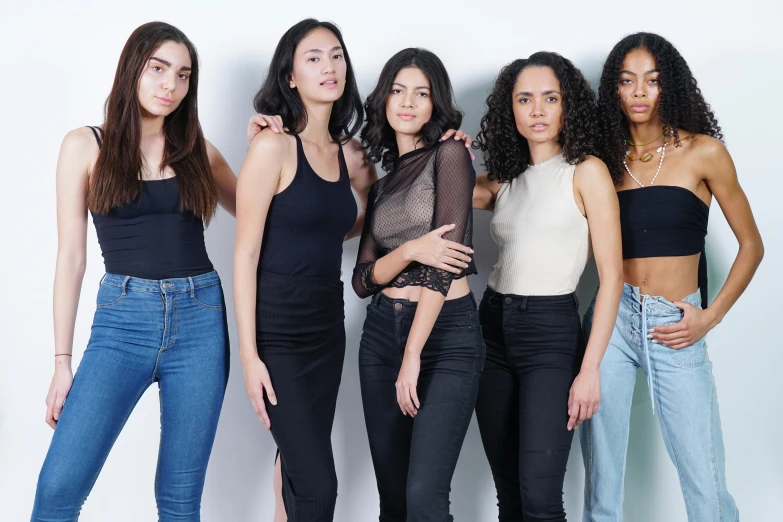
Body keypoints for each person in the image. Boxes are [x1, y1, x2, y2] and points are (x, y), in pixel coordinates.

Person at [32, 22, 238, 521]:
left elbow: (267, 217)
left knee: (179, 499)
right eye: (158, 68)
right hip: (122, 323)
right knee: (58, 491)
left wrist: (282, 148)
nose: (171, 84)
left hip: (201, 321)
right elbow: (71, 258)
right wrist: (62, 361)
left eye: (184, 75)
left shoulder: (199, 153)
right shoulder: (85, 145)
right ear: (133, 69)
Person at [581, 32, 764, 522]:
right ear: (613, 91)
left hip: (676, 323)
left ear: (671, 87)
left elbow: (752, 244)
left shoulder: (703, 153)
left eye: (653, 81)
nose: (640, 92)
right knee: (601, 488)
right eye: (627, 81)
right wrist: (455, 165)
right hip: (610, 322)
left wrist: (710, 317)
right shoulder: (599, 162)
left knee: (705, 487)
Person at [471, 52, 623, 521]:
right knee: (510, 495)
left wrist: (590, 368)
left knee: (539, 496)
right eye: (524, 99)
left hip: (551, 335)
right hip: (491, 327)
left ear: (567, 106)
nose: (537, 110)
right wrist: (448, 149)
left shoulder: (587, 171)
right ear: (509, 111)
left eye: (550, 98)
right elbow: (433, 188)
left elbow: (612, 274)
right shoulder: (504, 181)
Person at [351, 47, 483, 522]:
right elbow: (363, 279)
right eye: (398, 90)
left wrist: (413, 355)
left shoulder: (450, 156)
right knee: (394, 502)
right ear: (384, 99)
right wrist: (408, 250)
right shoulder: (381, 187)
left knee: (426, 499)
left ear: (436, 104)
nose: (407, 102)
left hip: (446, 336)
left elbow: (443, 267)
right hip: (381, 334)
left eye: (421, 93)